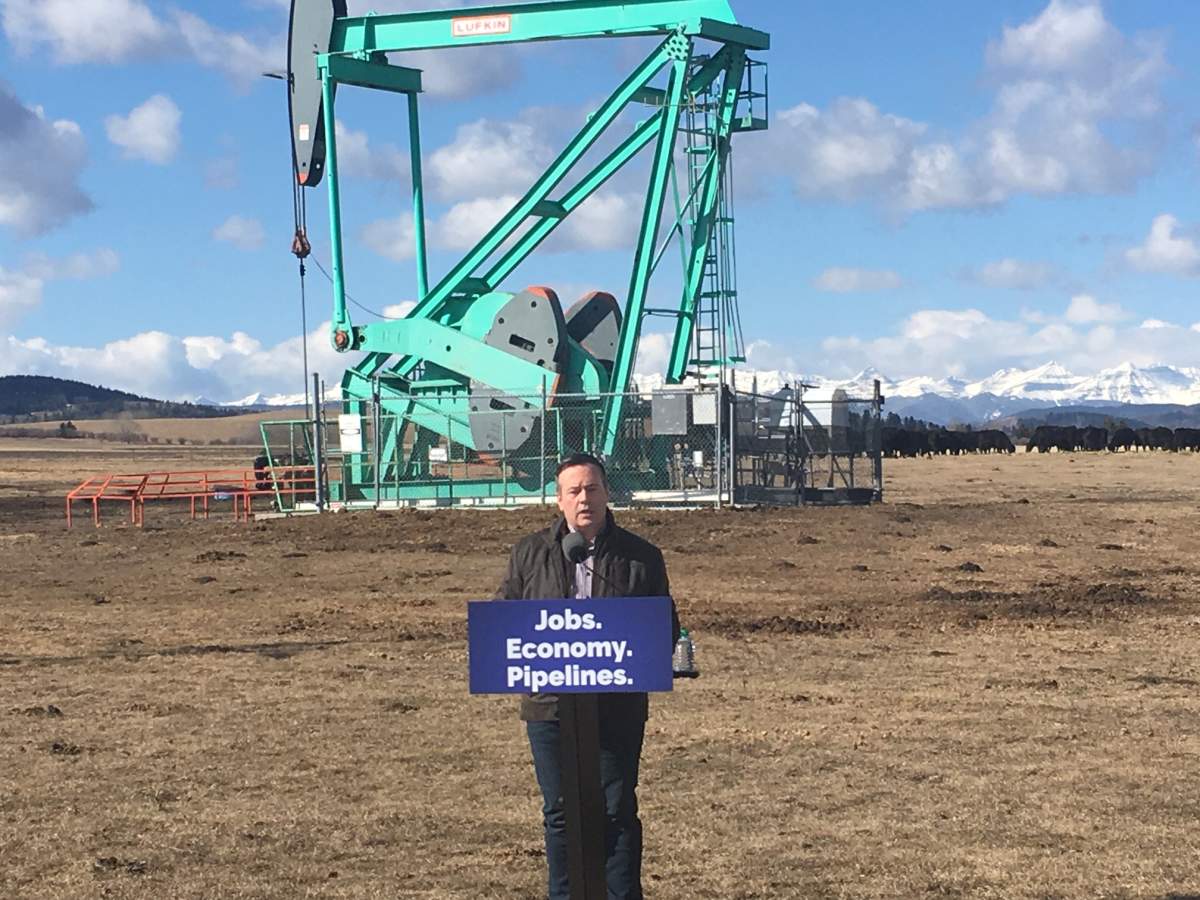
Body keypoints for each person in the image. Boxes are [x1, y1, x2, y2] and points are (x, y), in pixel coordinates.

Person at [496, 452, 679, 900]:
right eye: (574, 491)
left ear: (607, 494)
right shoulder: (529, 553)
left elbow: (664, 628)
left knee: (616, 809)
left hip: (617, 708)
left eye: (592, 489)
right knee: (559, 812)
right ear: (558, 500)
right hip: (550, 707)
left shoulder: (641, 556)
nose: (584, 499)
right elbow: (504, 622)